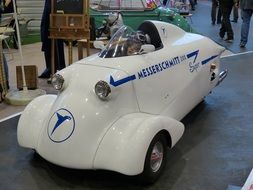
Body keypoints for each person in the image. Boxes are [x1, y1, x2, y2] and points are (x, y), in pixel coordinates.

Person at [39, 0, 65, 79]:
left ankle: (59, 67)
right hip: (50, 9)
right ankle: (50, 67)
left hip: (56, 10)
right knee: (47, 37)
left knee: (57, 41)